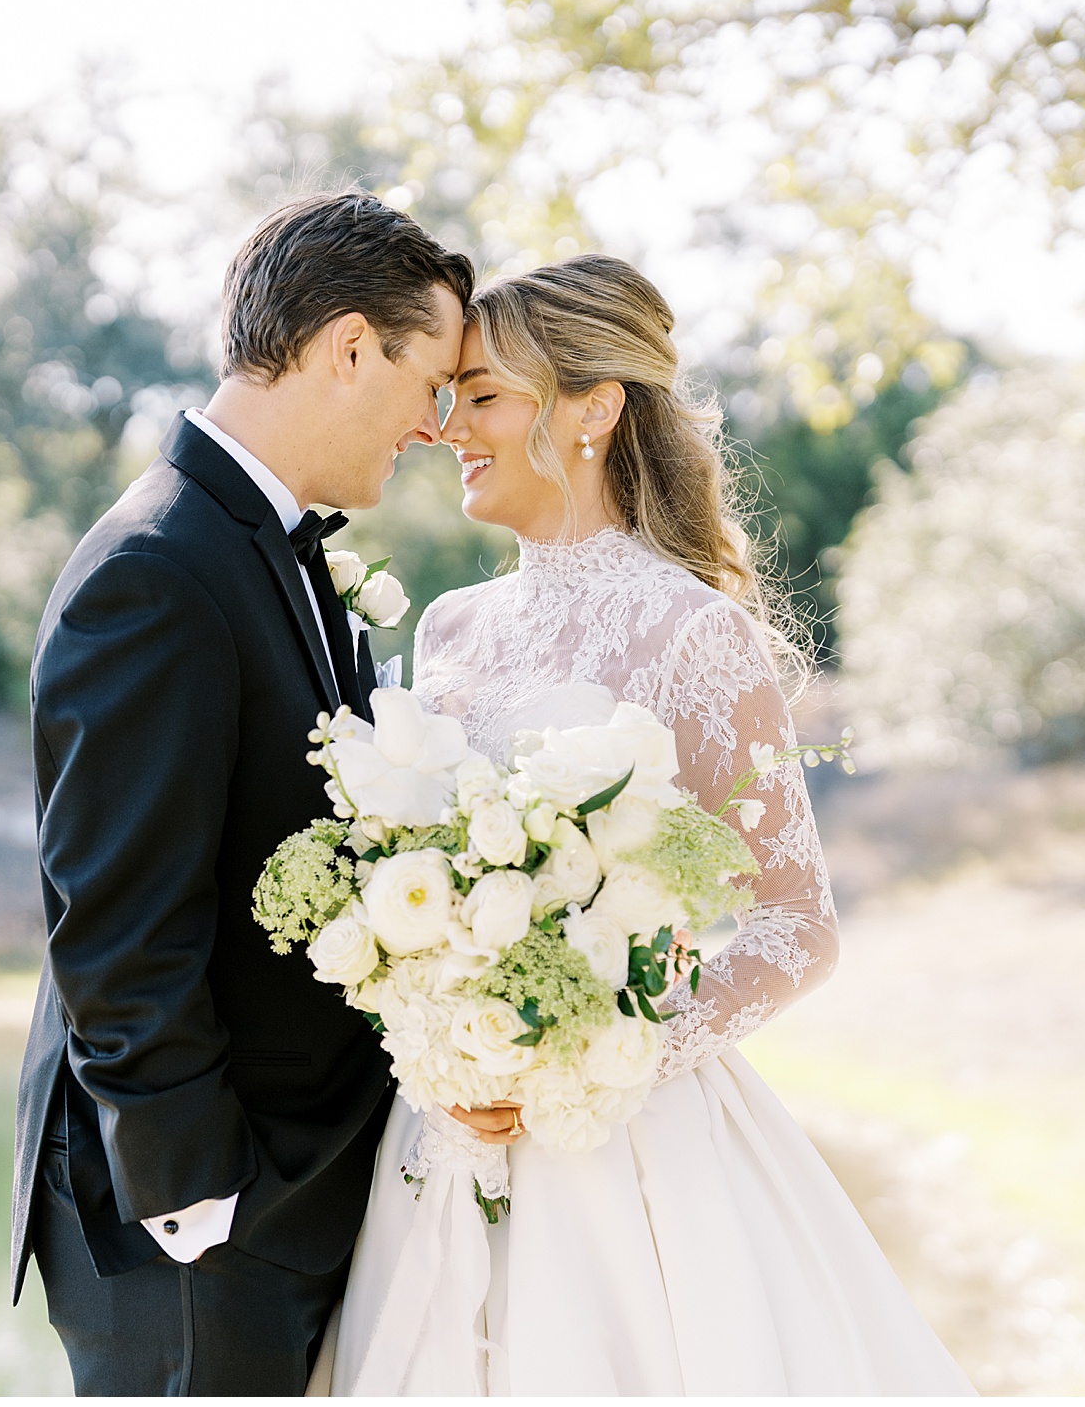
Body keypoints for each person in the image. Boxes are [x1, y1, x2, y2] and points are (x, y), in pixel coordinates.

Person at [327, 255, 973, 1395]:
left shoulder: (691, 633)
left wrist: (599, 1058)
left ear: (593, 408)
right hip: (448, 1125)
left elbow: (796, 926)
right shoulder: (449, 629)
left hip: (622, 1142)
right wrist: (446, 1032)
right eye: (449, 396)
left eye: (483, 395)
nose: (448, 427)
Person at [9, 191, 472, 1395]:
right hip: (196, 1229)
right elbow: (115, 912)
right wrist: (197, 1198)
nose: (433, 425)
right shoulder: (157, 569)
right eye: (429, 382)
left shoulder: (261, 544)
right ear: (350, 347)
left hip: (285, 1190)